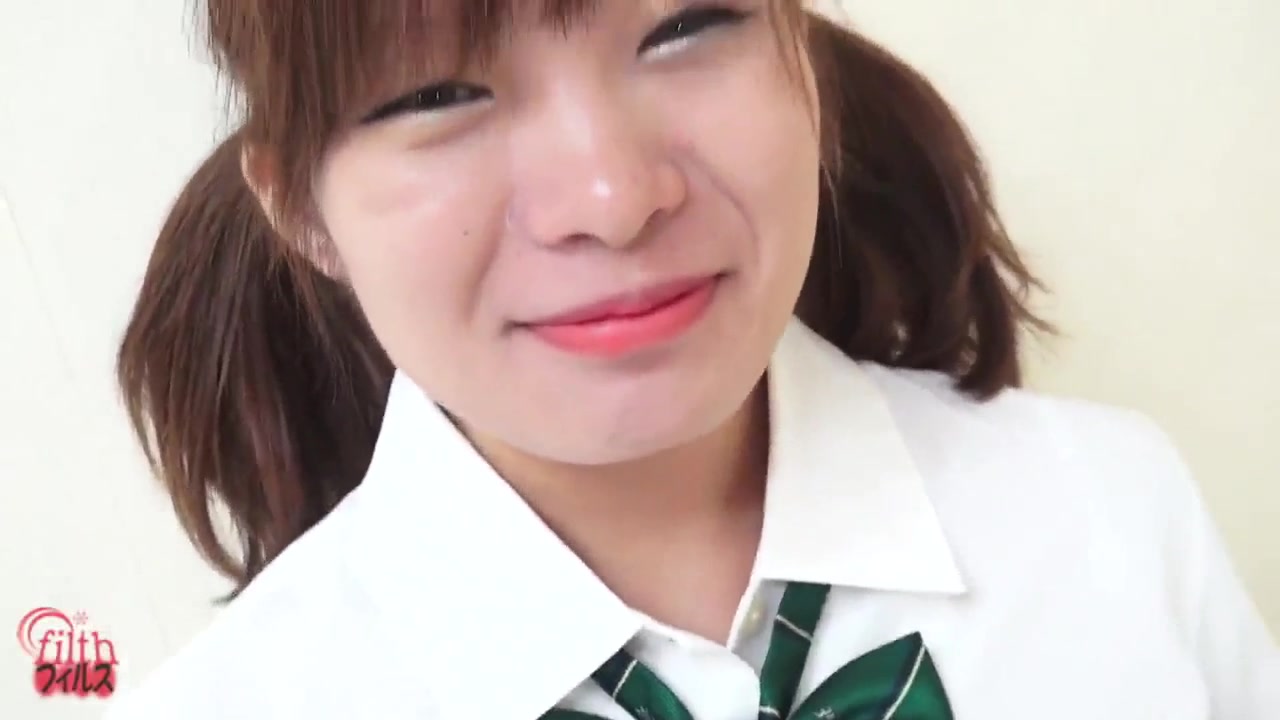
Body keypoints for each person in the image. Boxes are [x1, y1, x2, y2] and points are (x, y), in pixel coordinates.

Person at [105, 0, 1277, 718]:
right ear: (298, 209)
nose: (613, 198)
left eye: (684, 27)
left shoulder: (1104, 512)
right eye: (438, 92)